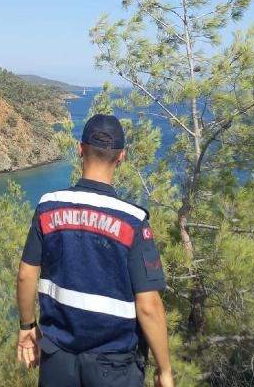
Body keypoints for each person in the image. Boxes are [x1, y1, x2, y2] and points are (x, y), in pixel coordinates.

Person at [16, 114, 174, 387]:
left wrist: (27, 326)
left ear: (80, 149)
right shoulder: (133, 222)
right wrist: (165, 369)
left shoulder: (48, 206)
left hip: (57, 360)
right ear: (121, 157)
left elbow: (25, 276)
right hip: (114, 367)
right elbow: (148, 306)